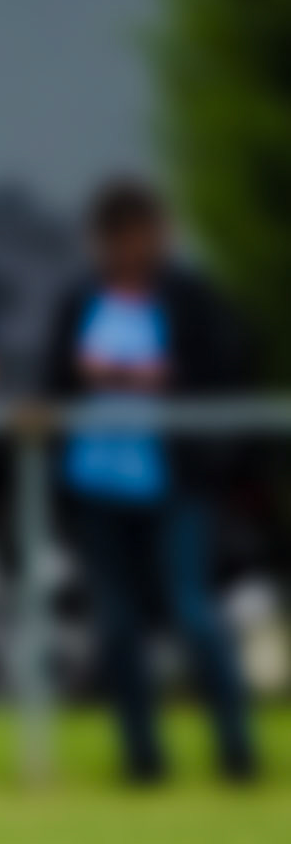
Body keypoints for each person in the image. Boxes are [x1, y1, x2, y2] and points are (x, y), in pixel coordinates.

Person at [43, 176, 259, 783]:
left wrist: (152, 377)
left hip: (174, 484)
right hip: (97, 485)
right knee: (117, 623)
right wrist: (91, 376)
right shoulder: (81, 299)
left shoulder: (189, 298)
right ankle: (142, 759)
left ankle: (237, 751)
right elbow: (55, 379)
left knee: (194, 612)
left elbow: (225, 373)